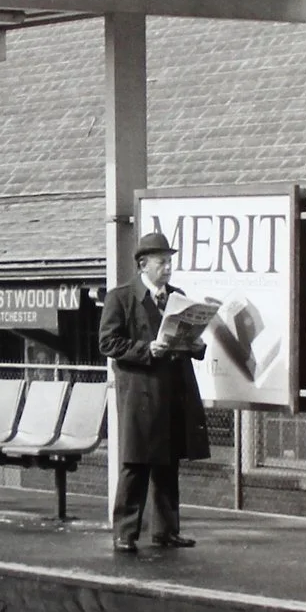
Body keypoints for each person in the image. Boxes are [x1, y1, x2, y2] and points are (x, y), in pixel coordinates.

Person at [97, 229, 210, 554]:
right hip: (140, 394)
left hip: (173, 391)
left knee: (168, 462)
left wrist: (196, 343)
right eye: (162, 262)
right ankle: (125, 532)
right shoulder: (121, 297)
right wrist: (148, 348)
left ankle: (166, 530)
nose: (168, 268)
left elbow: (187, 340)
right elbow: (108, 343)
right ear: (143, 264)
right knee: (136, 463)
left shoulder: (177, 296)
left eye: (170, 262)